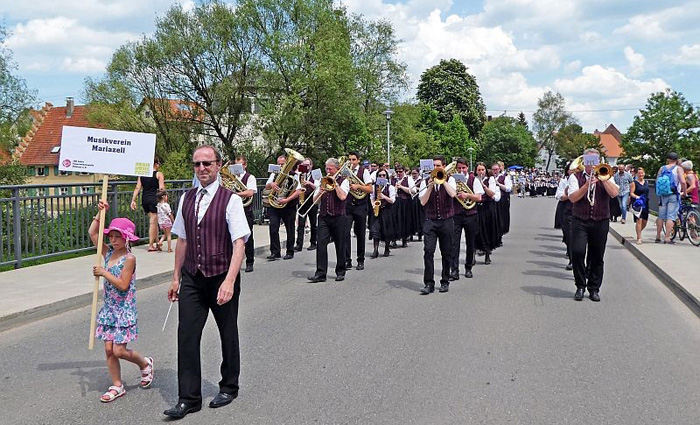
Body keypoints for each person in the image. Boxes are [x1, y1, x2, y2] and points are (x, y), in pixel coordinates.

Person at [165, 145, 250, 419]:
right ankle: (188, 398)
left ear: (218, 165)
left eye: (207, 163)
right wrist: (176, 277)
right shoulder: (186, 198)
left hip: (221, 275)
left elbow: (239, 245)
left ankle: (229, 386)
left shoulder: (231, 200)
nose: (202, 168)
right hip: (192, 276)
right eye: (197, 164)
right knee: (187, 334)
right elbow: (183, 239)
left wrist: (230, 281)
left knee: (227, 332)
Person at [88, 202, 153, 403]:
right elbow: (92, 233)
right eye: (112, 236)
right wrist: (101, 213)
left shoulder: (129, 258)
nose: (114, 240)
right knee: (108, 349)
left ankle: (145, 363)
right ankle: (117, 385)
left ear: (126, 238)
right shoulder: (107, 253)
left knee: (119, 350)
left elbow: (123, 285)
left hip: (124, 309)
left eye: (118, 236)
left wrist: (104, 272)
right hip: (109, 308)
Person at [568, 148, 619, 302]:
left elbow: (614, 193)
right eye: (589, 161)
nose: (592, 165)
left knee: (597, 256)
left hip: (601, 220)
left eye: (595, 161)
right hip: (580, 220)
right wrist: (586, 185)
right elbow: (573, 198)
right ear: (584, 161)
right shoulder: (575, 177)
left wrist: (603, 179)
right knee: (577, 252)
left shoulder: (606, 175)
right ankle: (580, 285)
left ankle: (594, 288)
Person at [419, 155, 457, 295]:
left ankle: (445, 281)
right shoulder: (425, 181)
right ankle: (429, 283)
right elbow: (422, 202)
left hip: (446, 220)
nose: (435, 168)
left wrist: (443, 180)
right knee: (428, 251)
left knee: (446, 252)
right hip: (431, 221)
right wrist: (430, 186)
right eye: (434, 166)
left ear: (444, 166)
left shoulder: (450, 179)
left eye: (438, 166)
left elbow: (453, 194)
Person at [308, 158, 350, 282]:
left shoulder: (344, 181)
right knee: (320, 244)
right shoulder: (322, 181)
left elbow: (342, 196)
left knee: (340, 244)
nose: (328, 171)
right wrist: (320, 192)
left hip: (339, 217)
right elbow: (315, 202)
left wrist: (335, 183)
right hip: (324, 217)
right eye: (326, 168)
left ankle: (340, 271)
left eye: (330, 169)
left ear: (337, 169)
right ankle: (321, 273)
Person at [450, 158, 484, 280]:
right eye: (459, 168)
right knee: (454, 244)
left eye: (463, 168)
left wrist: (467, 195)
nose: (461, 170)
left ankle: (468, 267)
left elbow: (479, 197)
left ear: (467, 168)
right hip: (456, 215)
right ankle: (454, 270)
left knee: (470, 243)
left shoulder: (473, 180)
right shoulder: (452, 179)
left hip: (471, 214)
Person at [266, 154, 301, 260]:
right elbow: (267, 186)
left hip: (288, 205)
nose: (281, 166)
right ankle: (275, 252)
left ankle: (290, 251)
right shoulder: (274, 174)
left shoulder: (293, 175)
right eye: (279, 164)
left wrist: (286, 200)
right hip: (275, 204)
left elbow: (298, 190)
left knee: (290, 229)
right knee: (273, 228)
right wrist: (271, 184)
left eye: (283, 164)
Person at [343, 151, 373, 271]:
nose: (351, 162)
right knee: (345, 233)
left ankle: (360, 260)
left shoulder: (364, 171)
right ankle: (347, 260)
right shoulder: (346, 171)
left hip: (360, 205)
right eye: (350, 159)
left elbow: (370, 189)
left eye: (354, 160)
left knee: (360, 233)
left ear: (358, 160)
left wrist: (358, 187)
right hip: (348, 205)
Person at [130, 157, 165, 251]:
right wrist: (164, 201)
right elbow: (161, 189)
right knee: (153, 221)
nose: (159, 165)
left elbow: (137, 188)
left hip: (144, 199)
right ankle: (151, 245)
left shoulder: (142, 175)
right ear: (156, 164)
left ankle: (157, 242)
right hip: (154, 199)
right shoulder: (159, 174)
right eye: (159, 163)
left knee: (154, 220)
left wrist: (133, 200)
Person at [655, 152, 687, 244]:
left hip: (662, 195)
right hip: (673, 194)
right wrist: (684, 192)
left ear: (668, 159)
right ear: (677, 160)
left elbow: (657, 181)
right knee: (671, 216)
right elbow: (683, 182)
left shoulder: (662, 168)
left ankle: (657, 236)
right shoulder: (678, 168)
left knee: (661, 216)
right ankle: (667, 238)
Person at [234, 155, 258, 272]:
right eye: (236, 165)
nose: (237, 168)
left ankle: (250, 262)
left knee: (248, 238)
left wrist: (235, 194)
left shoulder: (250, 177)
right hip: (233, 211)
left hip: (246, 210)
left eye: (239, 166)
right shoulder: (231, 177)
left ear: (245, 165)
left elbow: (250, 192)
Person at [475, 163, 501, 265]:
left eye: (482, 170)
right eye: (479, 170)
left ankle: (487, 255)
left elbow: (492, 194)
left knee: (487, 231)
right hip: (477, 207)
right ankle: (473, 254)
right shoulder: (474, 179)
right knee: (475, 231)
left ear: (485, 170)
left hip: (487, 208)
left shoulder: (490, 180)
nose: (481, 172)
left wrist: (484, 187)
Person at [369, 169, 396, 258]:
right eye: (380, 175)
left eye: (384, 175)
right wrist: (373, 205)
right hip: (377, 210)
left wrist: (384, 197)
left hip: (386, 211)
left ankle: (387, 248)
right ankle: (375, 250)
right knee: (375, 230)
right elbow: (372, 197)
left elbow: (392, 200)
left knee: (386, 230)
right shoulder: (374, 187)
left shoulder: (390, 187)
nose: (382, 177)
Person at [295, 157, 319, 251]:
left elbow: (319, 187)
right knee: (300, 224)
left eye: (308, 165)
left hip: (312, 200)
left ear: (311, 166)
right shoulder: (300, 174)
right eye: (304, 165)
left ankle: (313, 243)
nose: (306, 167)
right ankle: (299, 244)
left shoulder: (315, 174)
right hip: (302, 200)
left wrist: (309, 183)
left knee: (313, 223)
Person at [554, 164, 574, 270]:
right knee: (569, 235)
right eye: (570, 170)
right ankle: (572, 260)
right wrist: (571, 195)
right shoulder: (564, 181)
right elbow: (559, 196)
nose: (572, 172)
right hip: (567, 208)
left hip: (579, 209)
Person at [391, 165, 415, 248]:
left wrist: (401, 187)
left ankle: (404, 240)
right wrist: (394, 188)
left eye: (400, 171)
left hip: (405, 203)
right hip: (395, 202)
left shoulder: (408, 179)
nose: (398, 173)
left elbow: (413, 190)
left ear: (404, 171)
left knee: (405, 221)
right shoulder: (393, 179)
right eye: (397, 171)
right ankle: (393, 240)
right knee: (394, 221)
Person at [630, 167, 650, 244]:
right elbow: (631, 193)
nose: (641, 174)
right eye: (639, 173)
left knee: (645, 221)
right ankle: (639, 238)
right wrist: (636, 197)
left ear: (644, 173)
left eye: (642, 173)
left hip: (645, 203)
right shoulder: (634, 183)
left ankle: (638, 231)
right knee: (639, 220)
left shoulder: (646, 182)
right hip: (637, 204)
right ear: (637, 174)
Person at [495, 161, 512, 236]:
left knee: (502, 216)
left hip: (503, 198)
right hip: (494, 198)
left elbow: (508, 188)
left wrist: (498, 184)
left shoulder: (505, 176)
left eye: (500, 166)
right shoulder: (493, 176)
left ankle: (501, 232)